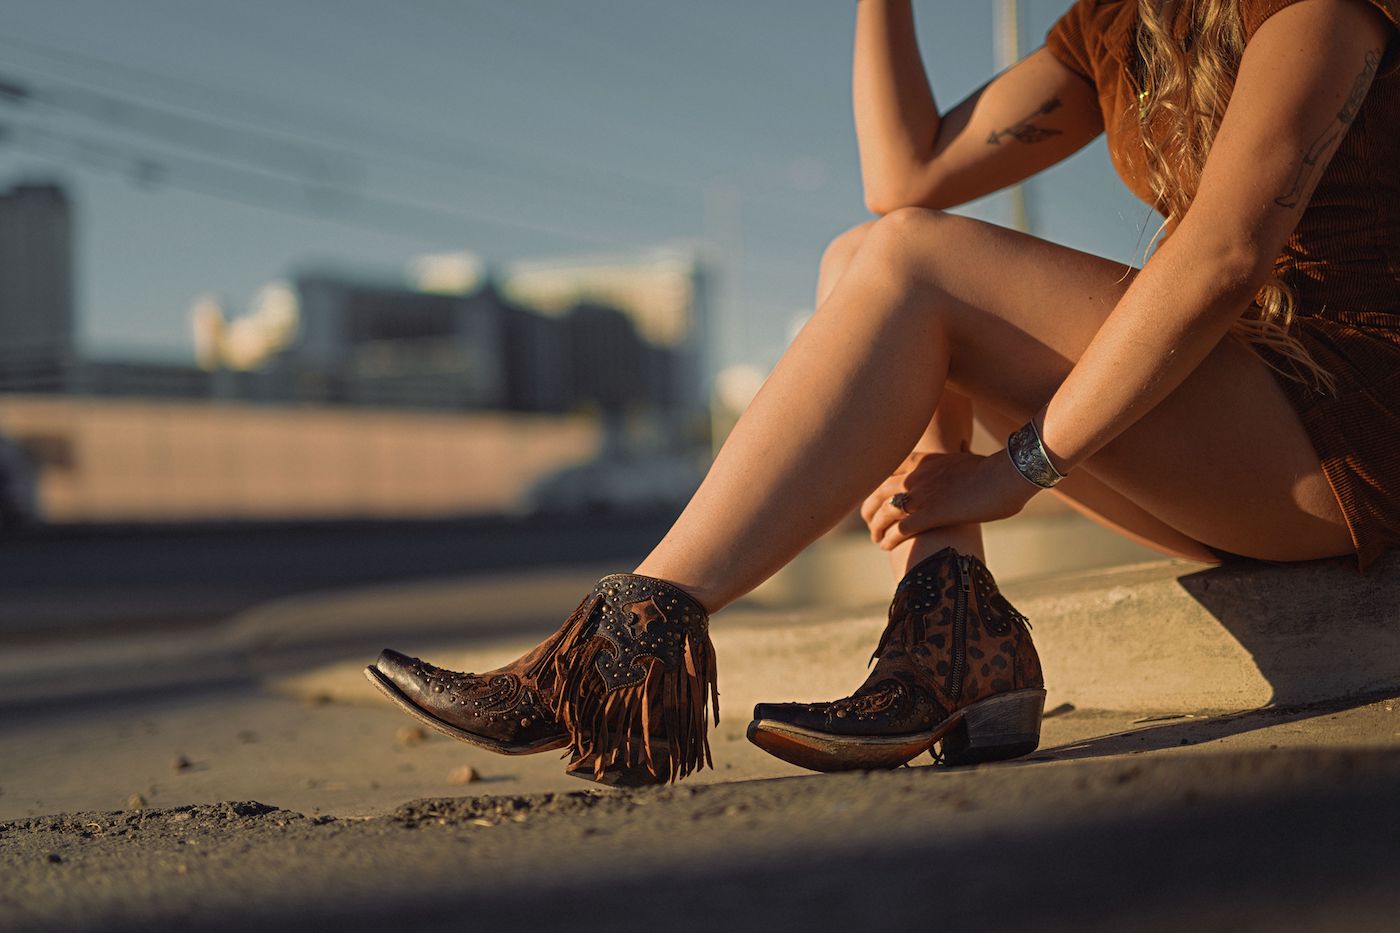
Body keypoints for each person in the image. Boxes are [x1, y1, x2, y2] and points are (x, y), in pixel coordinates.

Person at [366, 0, 1400, 785]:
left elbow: (1222, 254)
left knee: (907, 266)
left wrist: (1016, 468)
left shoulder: (1317, 11)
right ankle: (949, 646)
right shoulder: (1113, 24)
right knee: (864, 254)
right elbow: (904, 175)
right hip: (1244, 432)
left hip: (1346, 437)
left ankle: (619, 645)